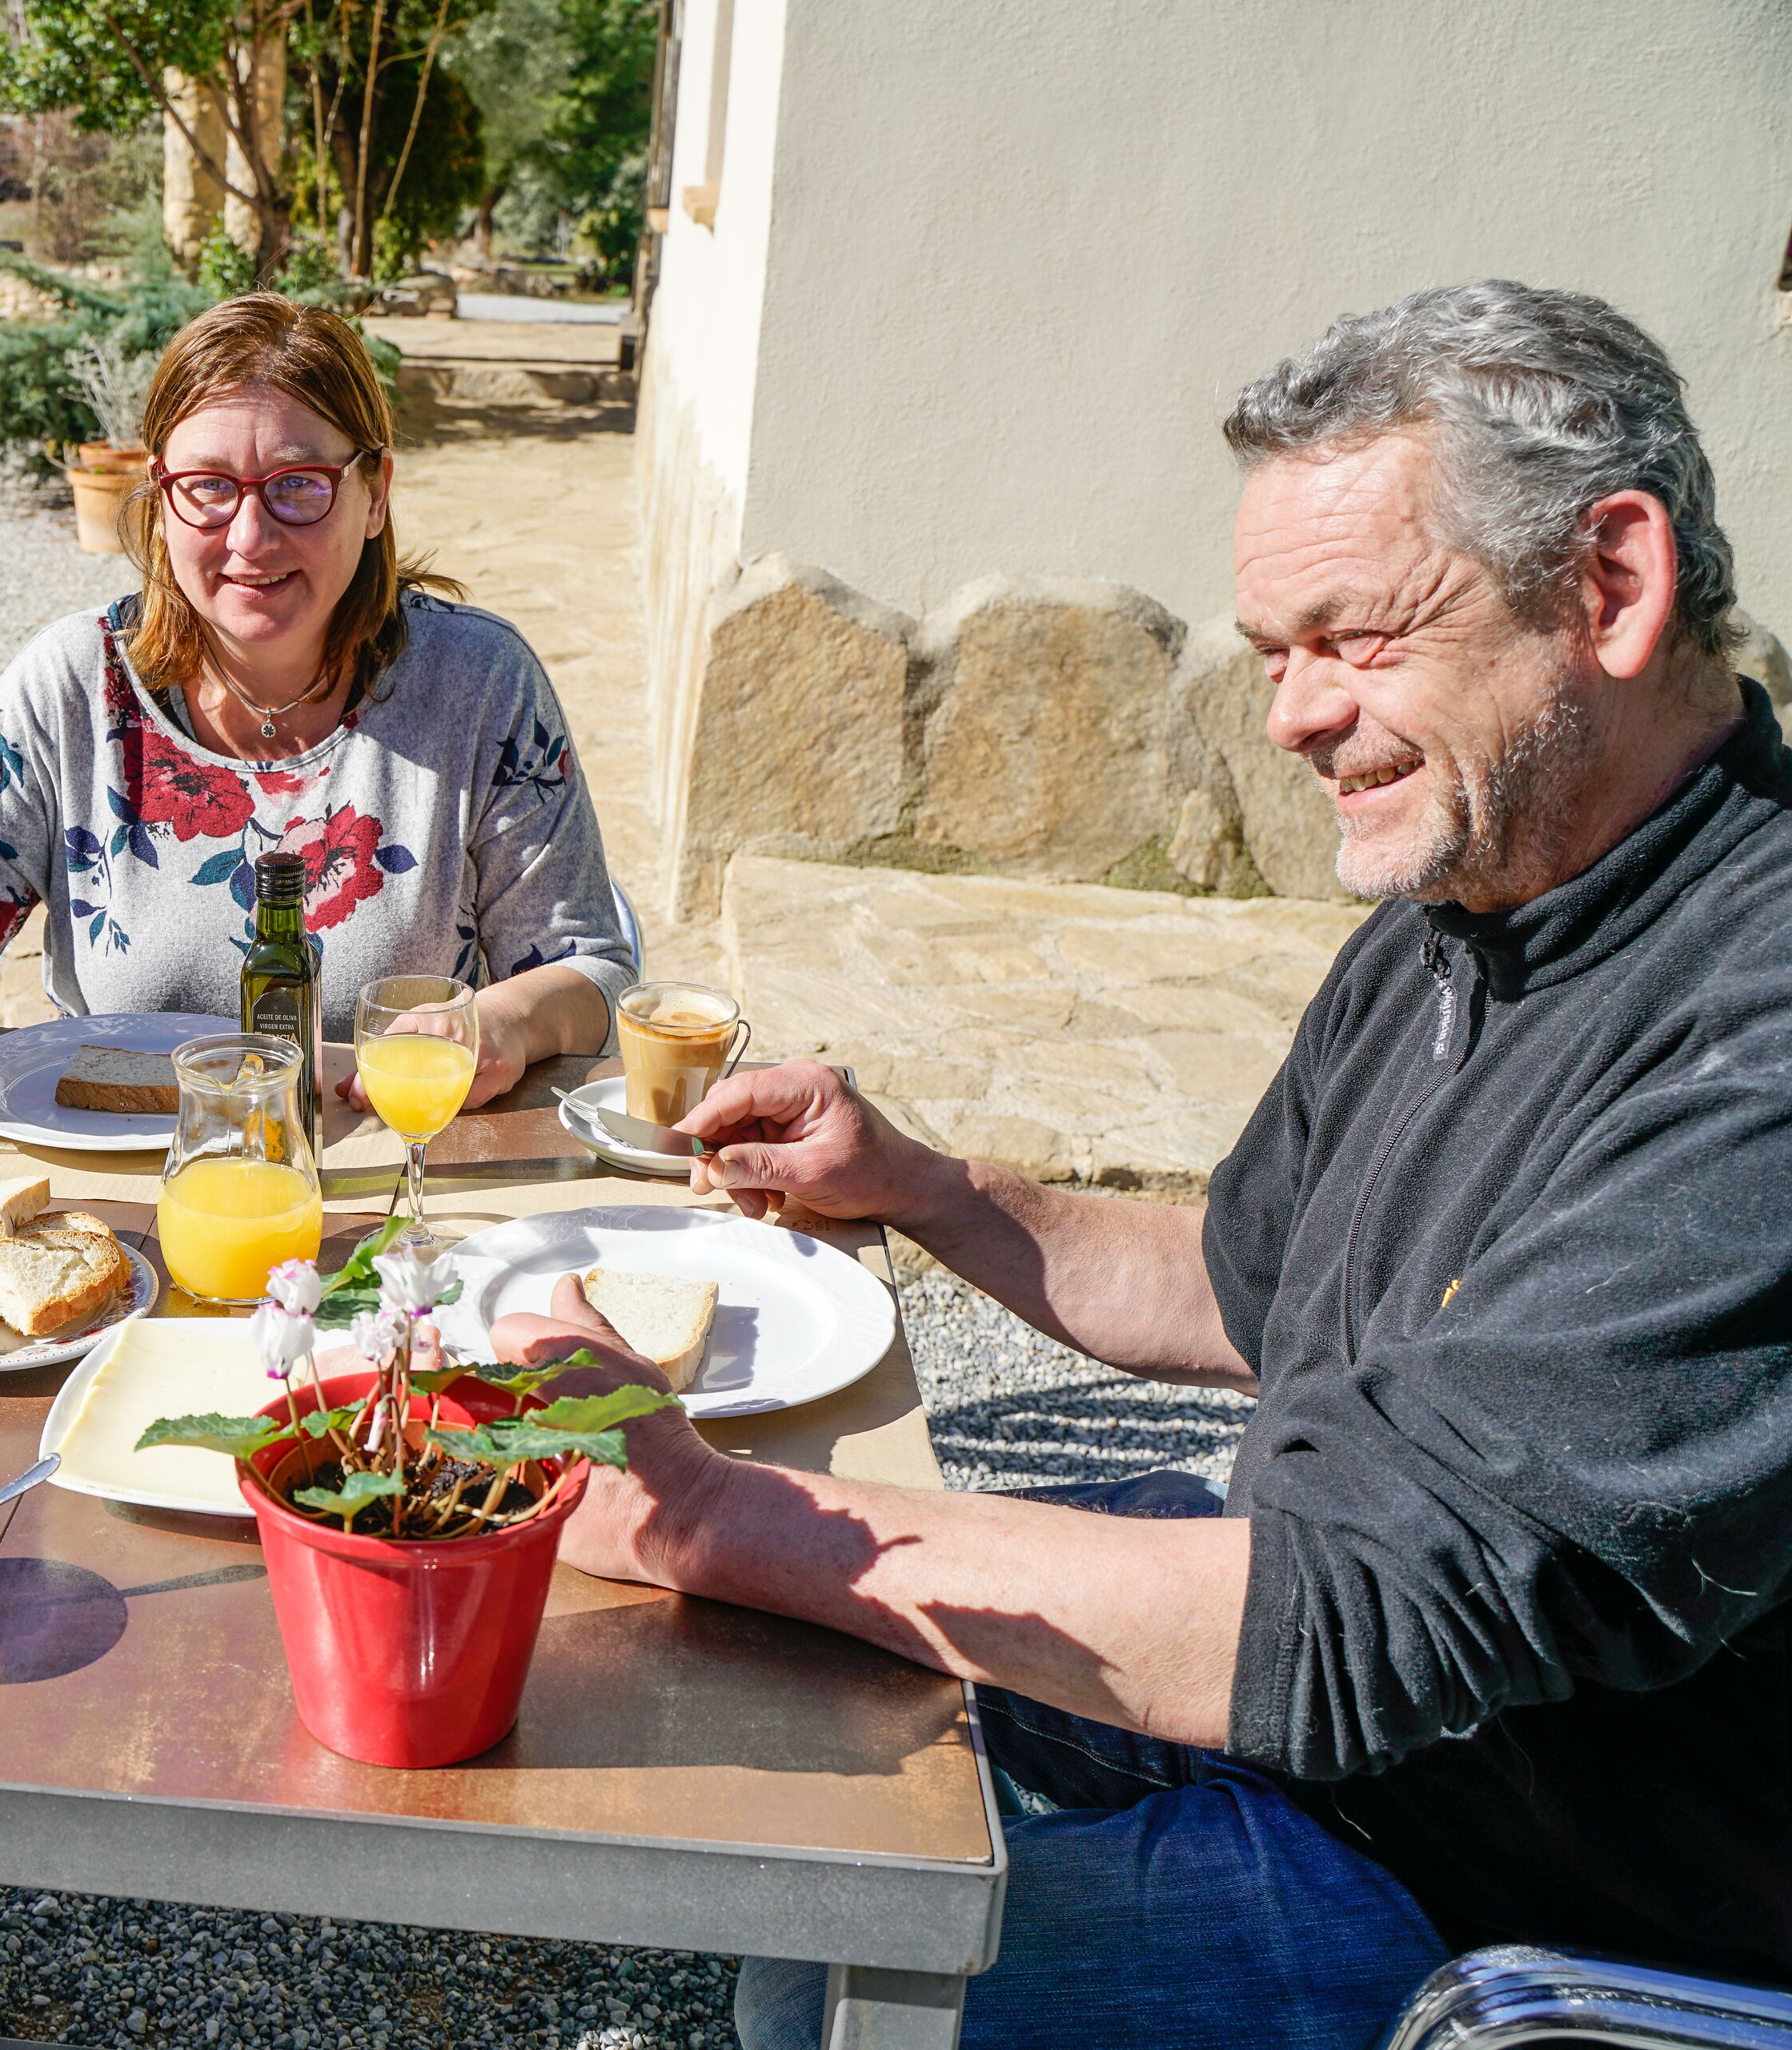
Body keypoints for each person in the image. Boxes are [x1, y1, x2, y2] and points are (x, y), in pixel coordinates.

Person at [492, 280, 1792, 2049]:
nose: (1292, 716)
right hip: (1340, 1673)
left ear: (1611, 585)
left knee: (816, 1983)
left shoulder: (1751, 1039)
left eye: (1350, 636)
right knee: (785, 1698)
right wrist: (928, 1188)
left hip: (1511, 1873)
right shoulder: (1481, 883)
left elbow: (1356, 1628)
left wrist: (713, 1508)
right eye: (1272, 652)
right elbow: (1253, 1284)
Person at [0, 291, 633, 1107]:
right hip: (114, 1164)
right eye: (208, 486)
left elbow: (592, 969)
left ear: (376, 493)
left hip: (391, 1162)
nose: (251, 536)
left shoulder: (480, 683)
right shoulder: (72, 684)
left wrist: (505, 1020)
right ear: (159, 497)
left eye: (299, 484)